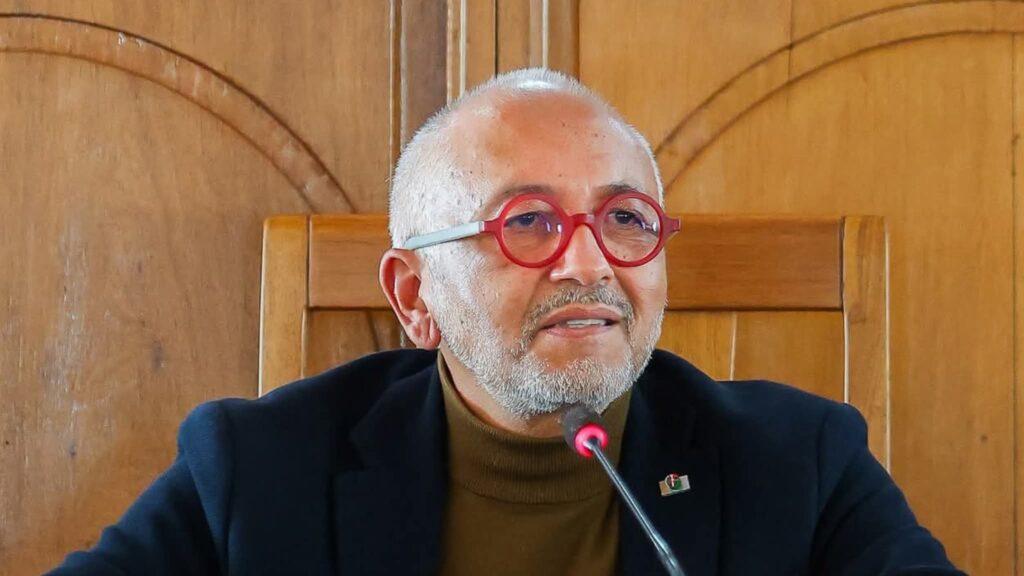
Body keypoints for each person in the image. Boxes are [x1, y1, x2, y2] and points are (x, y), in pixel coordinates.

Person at [49, 68, 963, 575]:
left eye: (625, 218)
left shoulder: (801, 463)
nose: (589, 263)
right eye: (527, 222)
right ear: (415, 298)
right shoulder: (254, 471)